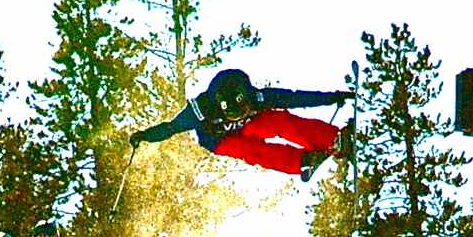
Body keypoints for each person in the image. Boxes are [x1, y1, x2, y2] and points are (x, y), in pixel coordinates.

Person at [129, 68, 354, 182]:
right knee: (252, 151)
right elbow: (170, 128)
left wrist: (331, 97)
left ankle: (330, 139)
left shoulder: (258, 98)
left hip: (251, 126)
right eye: (234, 115)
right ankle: (302, 161)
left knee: (278, 120)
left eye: (243, 111)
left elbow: (295, 98)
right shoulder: (199, 110)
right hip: (219, 139)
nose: (238, 116)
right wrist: (145, 135)